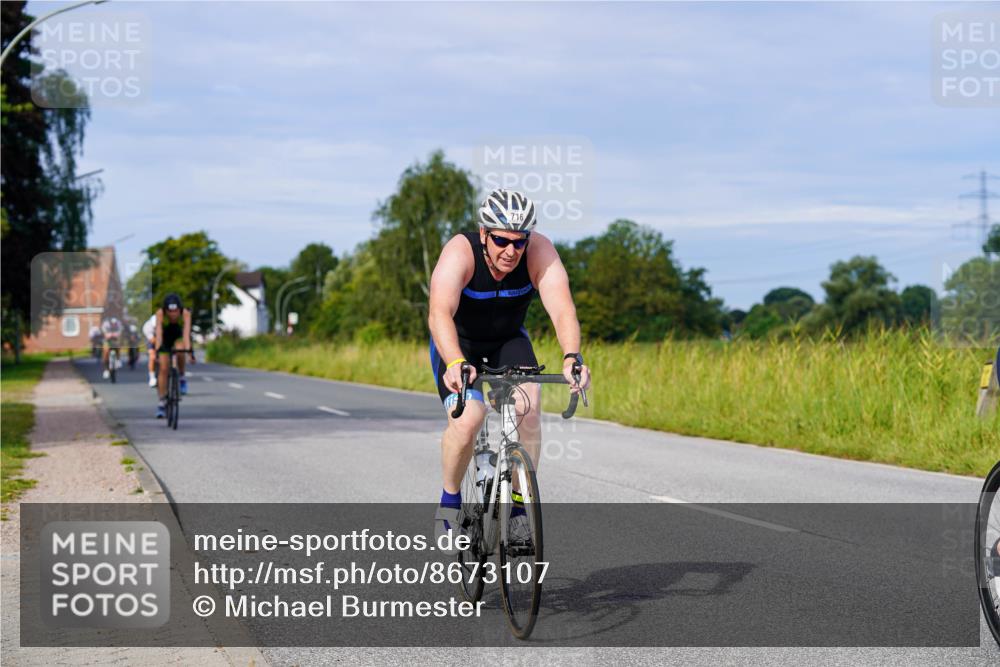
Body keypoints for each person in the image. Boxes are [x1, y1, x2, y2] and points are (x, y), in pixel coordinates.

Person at [427, 188, 591, 547]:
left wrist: (572, 356)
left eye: (519, 242)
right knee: (468, 418)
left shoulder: (540, 251)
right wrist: (454, 362)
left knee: (528, 408)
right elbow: (439, 312)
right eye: (501, 240)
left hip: (507, 341)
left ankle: (517, 508)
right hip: (459, 344)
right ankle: (450, 501)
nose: (511, 251)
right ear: (484, 234)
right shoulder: (460, 252)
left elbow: (563, 309)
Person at [155, 293, 195, 418]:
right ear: (165, 310)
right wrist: (157, 350)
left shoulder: (185, 313)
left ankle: (182, 376)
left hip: (178, 336)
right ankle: (162, 401)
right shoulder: (160, 313)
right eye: (170, 311)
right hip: (165, 338)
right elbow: (159, 332)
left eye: (175, 311)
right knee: (163, 369)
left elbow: (186, 333)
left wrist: (189, 351)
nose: (173, 314)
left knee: (180, 349)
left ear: (180, 309)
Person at [141, 313, 158, 387]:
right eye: (155, 327)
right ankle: (152, 377)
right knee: (152, 357)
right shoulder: (147, 326)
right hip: (152, 340)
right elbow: (153, 340)